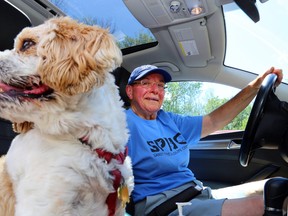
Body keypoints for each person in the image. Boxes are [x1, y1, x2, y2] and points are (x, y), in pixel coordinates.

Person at [124, 64, 283, 216]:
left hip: (196, 192)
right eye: (145, 83)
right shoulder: (120, 125)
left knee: (278, 186)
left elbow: (214, 121)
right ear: (130, 91)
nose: (155, 90)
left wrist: (256, 86)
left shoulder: (168, 119)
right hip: (164, 205)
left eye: (160, 85)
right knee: (271, 204)